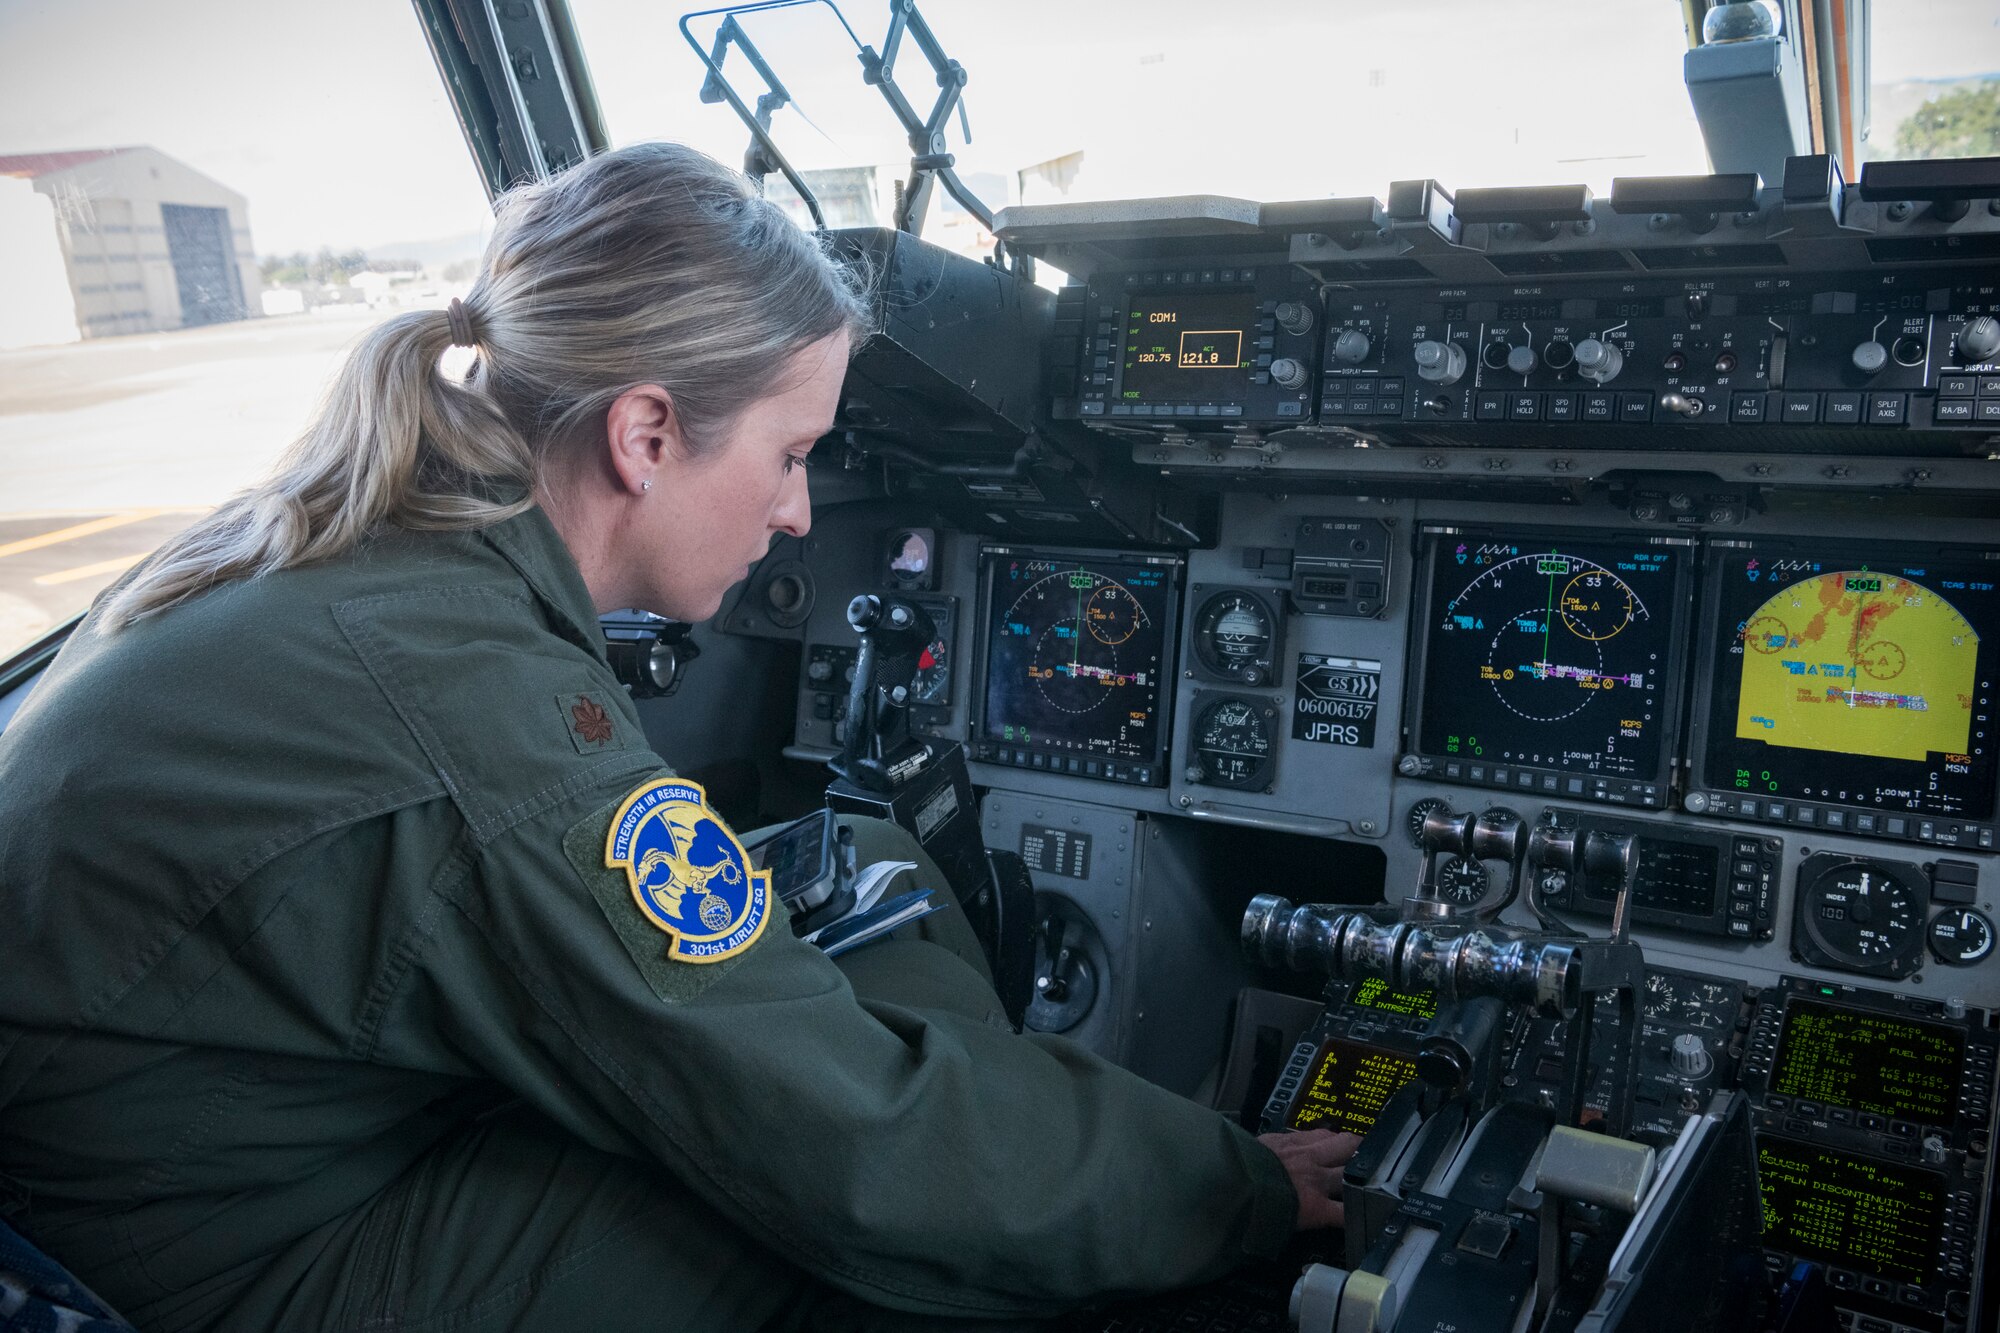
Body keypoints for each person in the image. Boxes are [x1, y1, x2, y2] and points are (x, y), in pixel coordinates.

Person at [0, 142, 1358, 1332]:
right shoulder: (473, 708)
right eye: (788, 452)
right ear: (645, 433)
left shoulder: (360, 545)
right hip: (188, 1270)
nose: (802, 515)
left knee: (849, 885)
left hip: (164, 1170)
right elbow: (854, 1141)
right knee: (814, 1209)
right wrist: (1226, 1185)